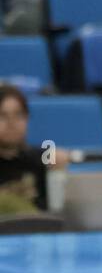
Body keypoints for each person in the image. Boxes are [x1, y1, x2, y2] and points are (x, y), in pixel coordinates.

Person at [0, 85, 49, 213]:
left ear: (27, 119)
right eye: (2, 116)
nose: (12, 123)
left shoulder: (40, 160)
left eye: (19, 115)